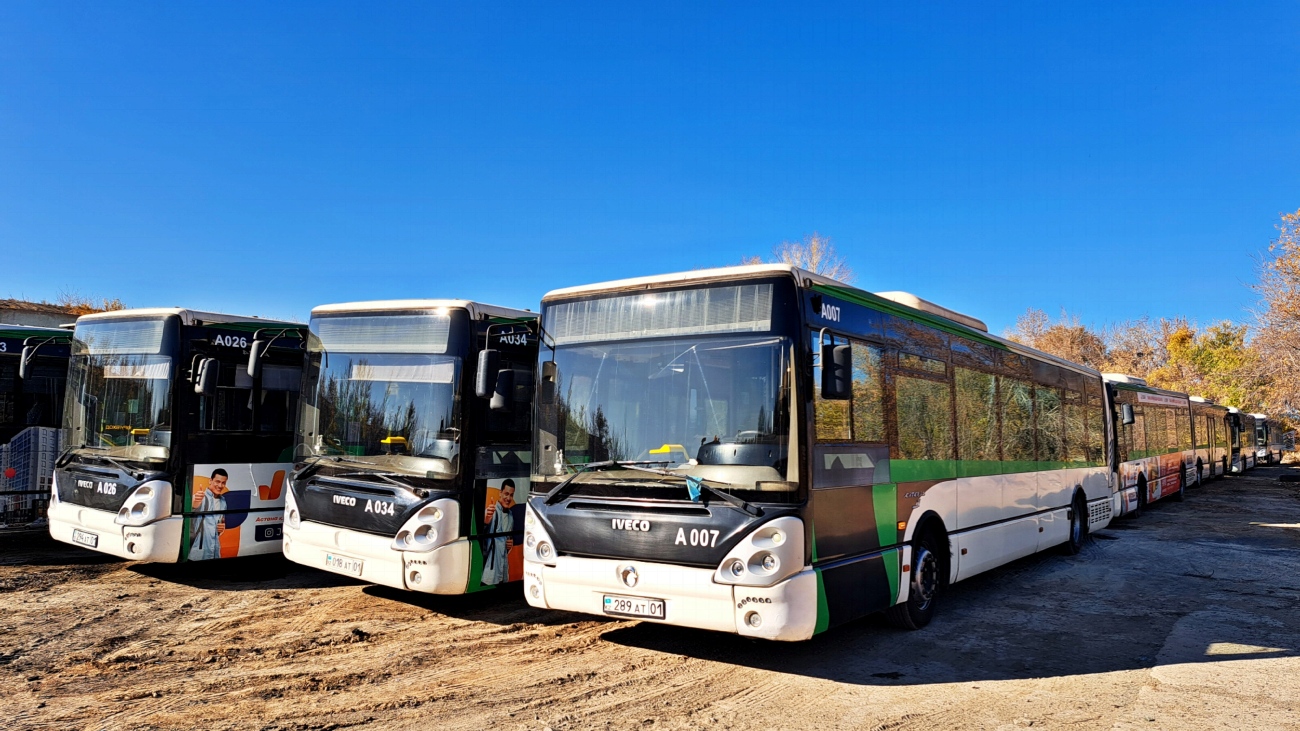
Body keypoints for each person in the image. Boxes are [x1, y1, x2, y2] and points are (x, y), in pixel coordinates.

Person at [189, 468, 229, 561]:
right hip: (198, 552)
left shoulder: (223, 502)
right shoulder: (201, 497)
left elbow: (219, 524)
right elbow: (193, 505)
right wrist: (194, 501)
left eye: (223, 483)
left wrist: (221, 529)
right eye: (217, 481)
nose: (220, 485)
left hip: (215, 551)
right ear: (210, 481)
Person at [481, 479, 516, 585]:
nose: (508, 498)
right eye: (506, 494)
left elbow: (506, 543)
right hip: (490, 573)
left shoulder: (511, 516)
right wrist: (486, 520)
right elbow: (482, 536)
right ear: (500, 493)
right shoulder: (491, 511)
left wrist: (510, 545)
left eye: (511, 495)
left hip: (503, 572)